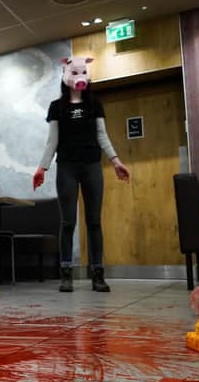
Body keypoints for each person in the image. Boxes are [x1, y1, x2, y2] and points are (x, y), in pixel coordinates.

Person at [33, 57, 130, 293]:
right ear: (66, 76)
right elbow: (52, 141)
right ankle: (66, 274)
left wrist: (116, 161)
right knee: (68, 222)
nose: (78, 76)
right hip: (66, 166)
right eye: (74, 72)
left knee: (94, 221)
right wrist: (42, 167)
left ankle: (98, 274)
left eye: (82, 72)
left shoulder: (94, 103)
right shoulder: (56, 107)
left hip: (91, 166)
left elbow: (102, 135)